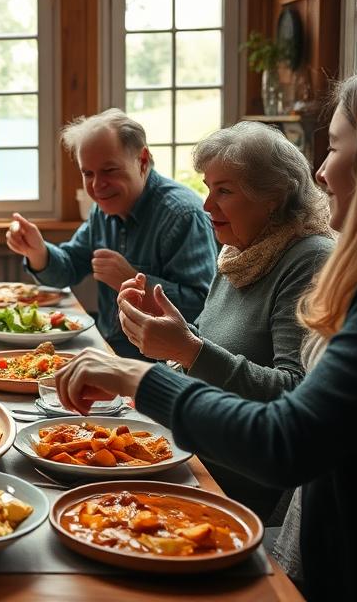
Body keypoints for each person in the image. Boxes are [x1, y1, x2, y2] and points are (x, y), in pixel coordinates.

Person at [54, 69, 357, 601]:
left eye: (335, 146)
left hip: (298, 529)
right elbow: (226, 353)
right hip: (233, 482)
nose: (323, 170)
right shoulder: (240, 252)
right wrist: (177, 338)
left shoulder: (340, 269)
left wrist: (147, 374)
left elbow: (289, 432)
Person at [118, 121, 333, 519]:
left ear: (273, 196)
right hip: (195, 452)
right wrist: (166, 331)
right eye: (207, 187)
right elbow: (208, 345)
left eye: (225, 191)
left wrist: (188, 348)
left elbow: (295, 393)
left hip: (241, 486)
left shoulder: (309, 259)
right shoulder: (240, 250)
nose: (206, 206)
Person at [6, 109, 216, 358]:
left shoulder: (183, 215)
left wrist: (133, 282)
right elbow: (70, 267)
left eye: (109, 171)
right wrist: (38, 251)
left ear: (143, 160)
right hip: (109, 349)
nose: (96, 186)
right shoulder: (102, 210)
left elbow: (205, 310)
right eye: (88, 174)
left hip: (164, 369)